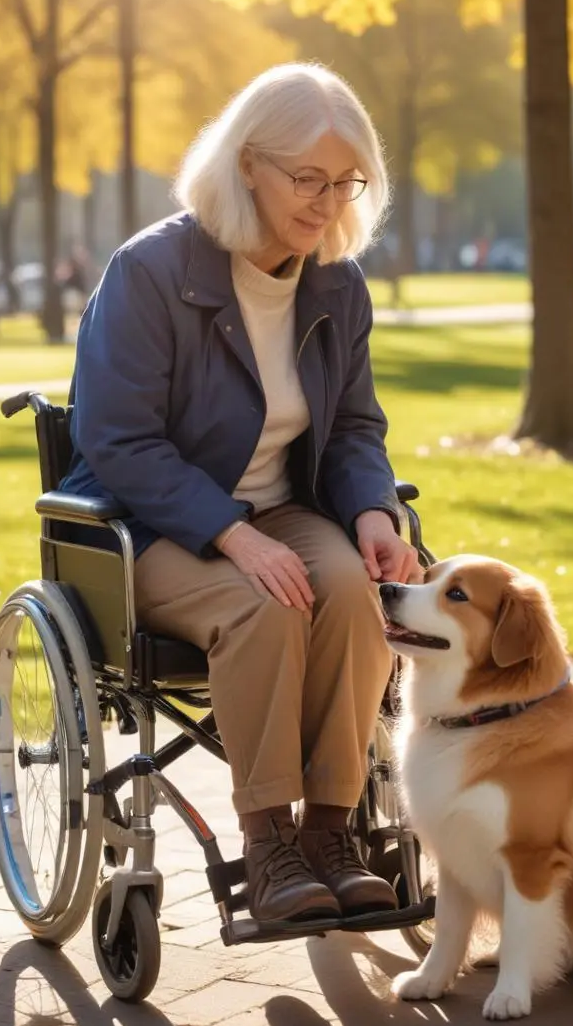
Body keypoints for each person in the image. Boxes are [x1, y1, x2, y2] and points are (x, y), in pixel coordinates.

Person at [61, 63, 421, 923]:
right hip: (150, 526)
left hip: (284, 511)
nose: (328, 201)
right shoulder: (151, 271)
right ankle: (269, 844)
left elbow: (353, 430)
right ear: (246, 164)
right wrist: (230, 533)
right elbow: (119, 440)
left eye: (345, 182)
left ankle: (333, 831)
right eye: (307, 177)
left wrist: (372, 509)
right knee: (263, 604)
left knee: (356, 590)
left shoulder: (336, 283)